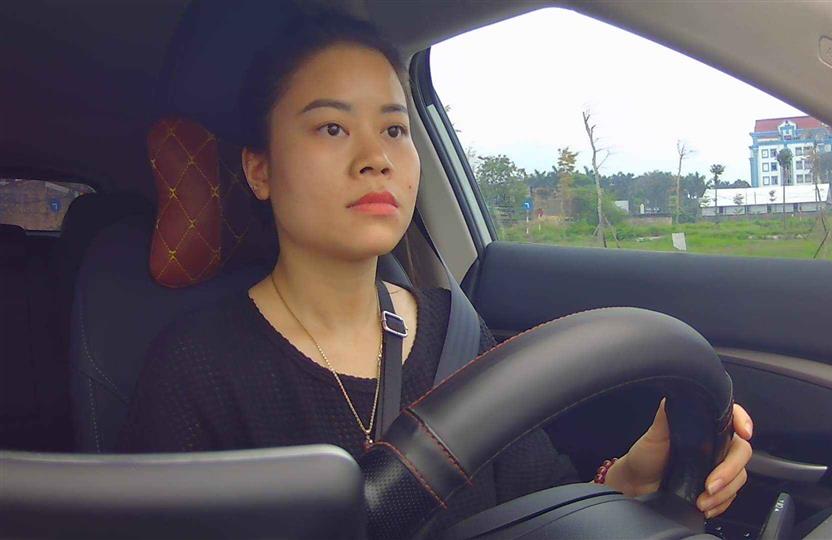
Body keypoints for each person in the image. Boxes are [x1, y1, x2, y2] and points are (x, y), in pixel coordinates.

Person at [116, 6, 753, 534]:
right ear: (260, 169)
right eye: (332, 128)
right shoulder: (195, 369)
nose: (376, 157)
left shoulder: (455, 331)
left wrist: (635, 477)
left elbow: (538, 508)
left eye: (395, 130)